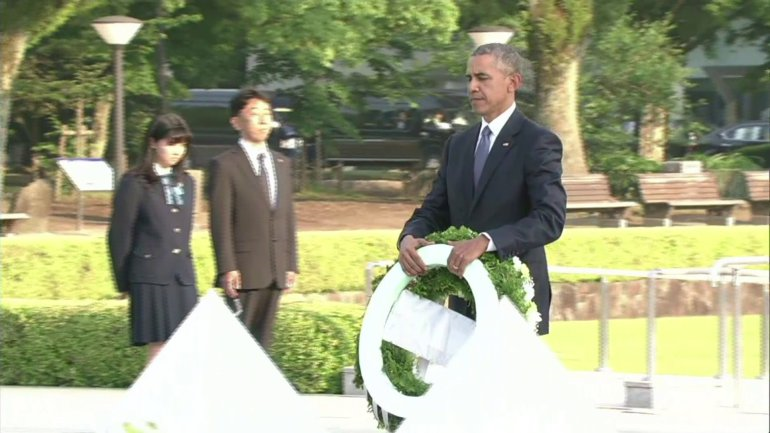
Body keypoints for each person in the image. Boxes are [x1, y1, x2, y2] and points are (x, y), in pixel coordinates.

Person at [397, 43, 567, 335]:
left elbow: (549, 219)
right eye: (469, 78)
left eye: (482, 78)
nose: (472, 87)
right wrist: (409, 237)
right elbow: (435, 210)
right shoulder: (458, 144)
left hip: (515, 301)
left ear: (513, 82)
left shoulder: (538, 142)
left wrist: (486, 241)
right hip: (462, 300)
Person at [207, 88, 298, 350]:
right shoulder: (225, 165)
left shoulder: (281, 163)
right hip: (244, 271)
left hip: (275, 269)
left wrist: (290, 263)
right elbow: (220, 222)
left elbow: (287, 216)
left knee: (263, 345)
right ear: (236, 122)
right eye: (254, 113)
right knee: (237, 344)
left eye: (267, 113)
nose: (263, 119)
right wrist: (227, 267)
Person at [107, 113, 199, 363]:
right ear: (153, 143)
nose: (178, 150)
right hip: (150, 275)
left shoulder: (187, 182)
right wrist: (124, 283)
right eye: (171, 143)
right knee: (160, 346)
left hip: (182, 276)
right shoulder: (135, 182)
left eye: (183, 144)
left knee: (187, 344)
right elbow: (119, 235)